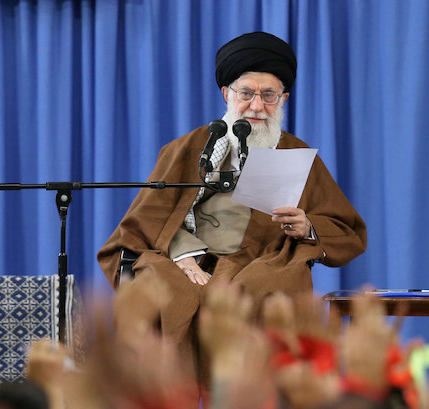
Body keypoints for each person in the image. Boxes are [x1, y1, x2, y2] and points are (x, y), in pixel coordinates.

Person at [97, 31, 367, 369]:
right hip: (186, 259)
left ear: (283, 99)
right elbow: (148, 221)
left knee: (263, 288)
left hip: (261, 261)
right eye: (247, 93)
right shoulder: (186, 148)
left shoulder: (296, 154)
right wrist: (183, 256)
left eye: (269, 95)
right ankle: (168, 408)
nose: (257, 106)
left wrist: (308, 226)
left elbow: (347, 229)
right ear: (227, 93)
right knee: (161, 286)